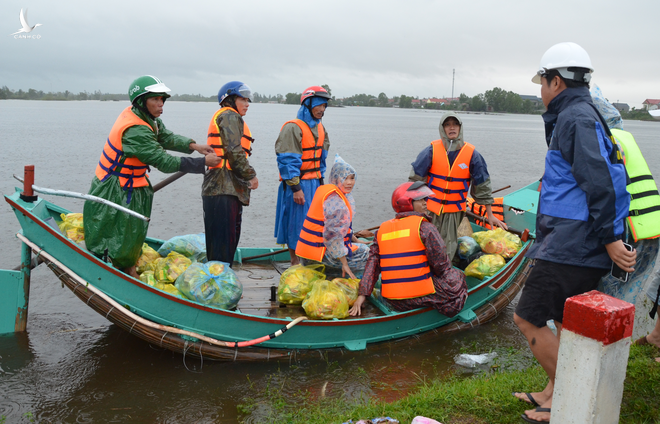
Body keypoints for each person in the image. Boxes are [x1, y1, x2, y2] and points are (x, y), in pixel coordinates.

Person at [512, 42, 636, 424]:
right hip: (568, 237)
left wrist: (611, 238)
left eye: (543, 83)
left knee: (528, 317)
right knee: (565, 320)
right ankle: (552, 391)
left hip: (572, 242)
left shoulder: (575, 118)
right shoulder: (581, 113)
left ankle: (564, 397)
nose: (541, 92)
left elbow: (601, 180)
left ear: (557, 81)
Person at [83, 75, 220, 279]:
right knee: (115, 229)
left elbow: (165, 137)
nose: (160, 104)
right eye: (155, 99)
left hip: (134, 183)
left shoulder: (147, 119)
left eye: (162, 99)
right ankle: (113, 268)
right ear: (141, 101)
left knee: (132, 230)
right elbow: (162, 161)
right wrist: (202, 163)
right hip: (115, 186)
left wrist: (194, 146)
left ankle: (126, 264)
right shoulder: (135, 129)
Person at [349, 182, 468, 317]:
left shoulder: (381, 230)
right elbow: (441, 266)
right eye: (421, 200)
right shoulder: (426, 228)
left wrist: (362, 295)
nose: (425, 203)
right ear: (408, 203)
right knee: (457, 277)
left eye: (425, 199)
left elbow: (372, 265)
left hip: (394, 301)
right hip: (419, 297)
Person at [409, 112, 507, 262]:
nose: (451, 127)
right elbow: (414, 182)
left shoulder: (472, 154)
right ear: (442, 129)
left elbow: (483, 186)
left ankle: (442, 279)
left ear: (460, 127)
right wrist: (411, 210)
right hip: (429, 210)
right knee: (424, 245)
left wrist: (490, 215)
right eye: (447, 124)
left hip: (453, 212)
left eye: (455, 124)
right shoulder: (431, 151)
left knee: (446, 249)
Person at [202, 81, 259, 266]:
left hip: (224, 185)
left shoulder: (229, 116)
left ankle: (220, 281)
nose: (247, 103)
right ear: (230, 99)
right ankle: (219, 285)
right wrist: (251, 175)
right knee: (223, 243)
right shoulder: (229, 116)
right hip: (222, 186)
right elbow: (234, 152)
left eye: (248, 99)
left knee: (224, 241)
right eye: (243, 99)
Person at [274, 86, 331, 265]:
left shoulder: (321, 128)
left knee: (314, 224)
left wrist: (323, 185)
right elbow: (287, 160)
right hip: (298, 185)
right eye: (319, 105)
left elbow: (322, 159)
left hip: (316, 183)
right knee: (296, 224)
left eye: (324, 106)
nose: (322, 109)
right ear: (308, 104)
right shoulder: (293, 128)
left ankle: (310, 261)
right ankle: (294, 262)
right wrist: (296, 188)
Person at [295, 154, 369, 279]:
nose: (349, 182)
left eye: (352, 178)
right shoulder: (337, 203)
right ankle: (352, 281)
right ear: (336, 178)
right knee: (368, 252)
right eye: (345, 178)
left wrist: (356, 240)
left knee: (361, 246)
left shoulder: (328, 192)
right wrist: (344, 264)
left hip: (305, 254)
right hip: (319, 257)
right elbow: (333, 237)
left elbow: (341, 230)